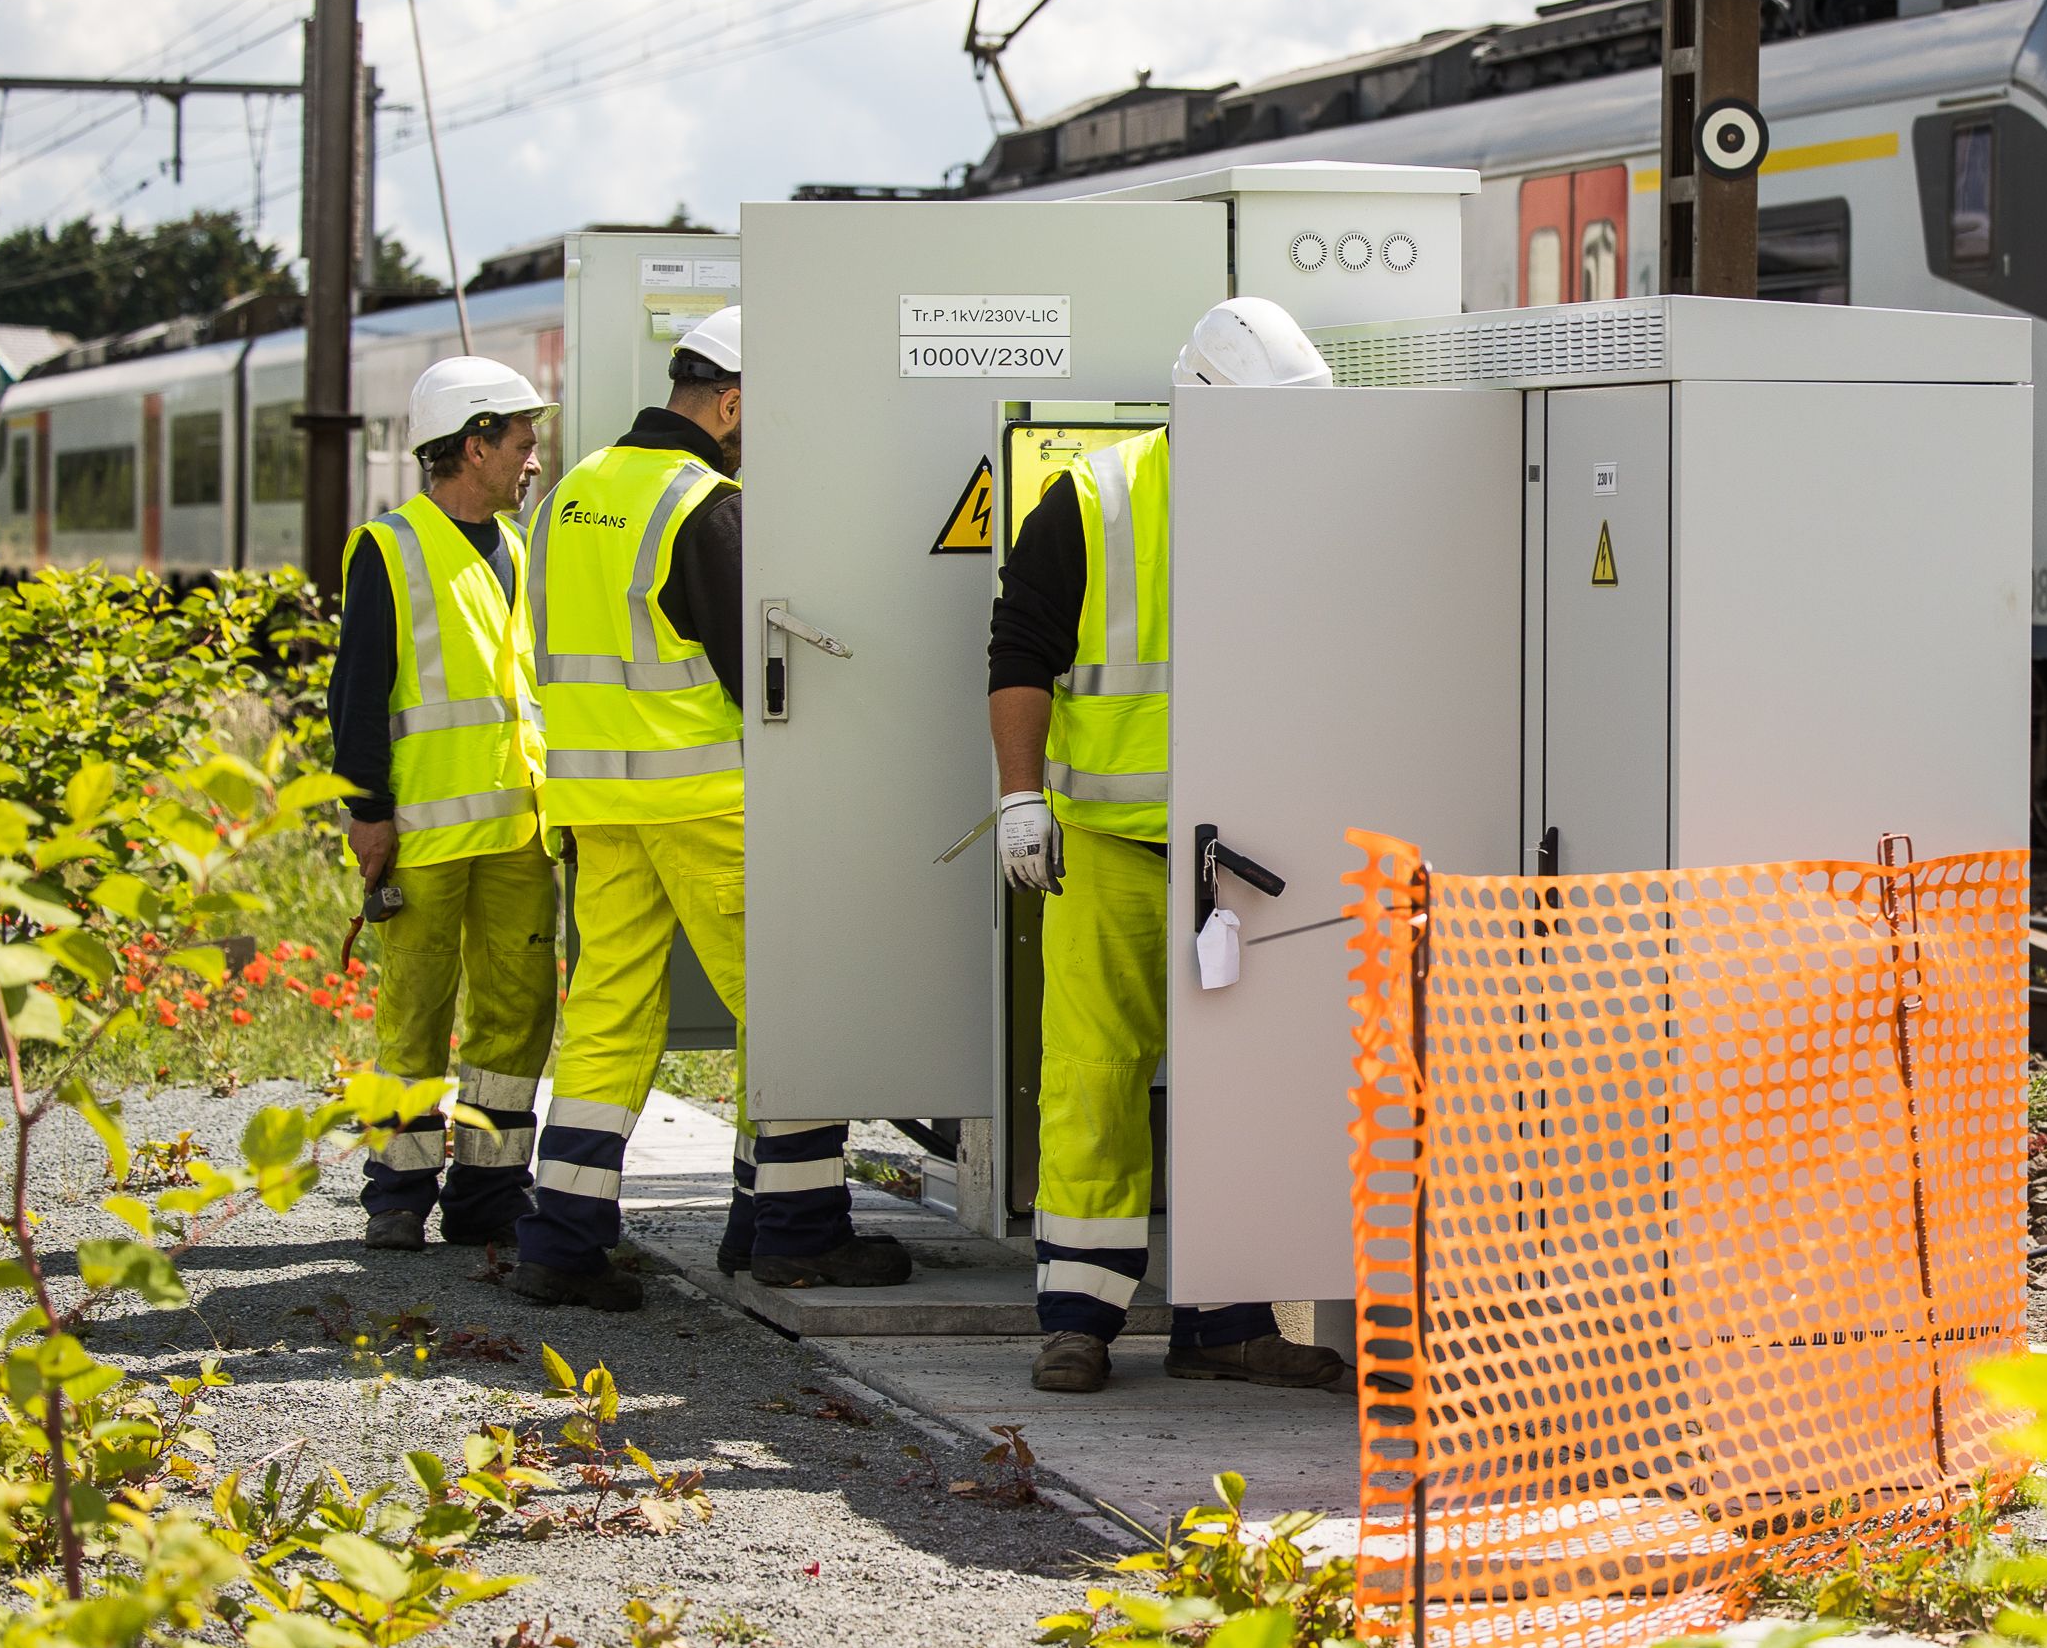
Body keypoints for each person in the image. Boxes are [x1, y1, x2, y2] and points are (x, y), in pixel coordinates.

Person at [988, 297, 1356, 1397]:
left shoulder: (1320, 498)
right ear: (1196, 405)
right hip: (1114, 843)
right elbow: (1020, 652)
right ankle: (1078, 1320)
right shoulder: (1093, 498)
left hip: (1253, 851)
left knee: (1239, 1081)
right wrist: (1020, 797)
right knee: (1094, 1077)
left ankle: (1227, 1321)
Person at [513, 304, 915, 1309]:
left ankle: (560, 1242)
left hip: (597, 803)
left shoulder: (568, 494)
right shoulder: (703, 504)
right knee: (790, 1004)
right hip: (705, 805)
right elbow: (759, 673)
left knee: (607, 1015)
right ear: (729, 402)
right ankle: (797, 1231)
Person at [334, 355, 559, 1254]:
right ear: (474, 445)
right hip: (423, 833)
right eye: (522, 442)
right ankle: (398, 1192)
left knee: (518, 1011)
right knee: (415, 1014)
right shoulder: (389, 547)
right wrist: (367, 810)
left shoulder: (519, 547)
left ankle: (489, 1191)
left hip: (518, 831)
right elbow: (357, 692)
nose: (533, 459)